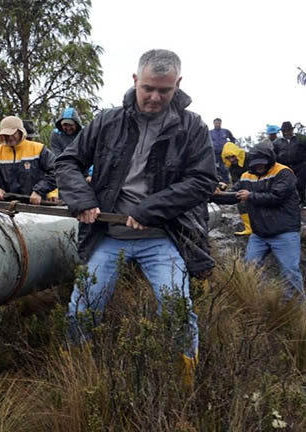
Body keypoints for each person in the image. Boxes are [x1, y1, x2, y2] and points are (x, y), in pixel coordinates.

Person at [55, 49, 217, 385]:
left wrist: (152, 209)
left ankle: (184, 384)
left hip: (163, 238)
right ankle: (78, 378)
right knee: (82, 310)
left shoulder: (192, 127)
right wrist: (82, 199)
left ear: (178, 85)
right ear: (135, 80)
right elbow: (67, 162)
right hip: (108, 237)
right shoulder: (107, 121)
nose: (155, 97)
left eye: (164, 90)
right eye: (148, 88)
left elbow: (203, 181)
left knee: (177, 312)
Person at [212, 142, 304, 302]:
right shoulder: (247, 176)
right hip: (259, 234)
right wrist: (218, 195)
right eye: (256, 164)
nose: (259, 166)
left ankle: (295, 310)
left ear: (270, 159)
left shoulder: (283, 173)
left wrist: (251, 196)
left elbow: (277, 197)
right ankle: (258, 301)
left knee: (290, 272)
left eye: (262, 163)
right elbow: (236, 195)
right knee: (249, 268)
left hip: (285, 232)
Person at [0, 116, 56, 205]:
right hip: (2, 208)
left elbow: (57, 171)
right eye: (6, 135)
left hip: (35, 208)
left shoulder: (38, 149)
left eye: (13, 134)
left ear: (21, 131)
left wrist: (39, 191)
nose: (9, 137)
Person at [221, 142, 251, 235]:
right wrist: (229, 191)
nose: (231, 159)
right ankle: (249, 228)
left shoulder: (249, 158)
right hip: (242, 185)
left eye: (232, 156)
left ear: (237, 154)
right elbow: (236, 180)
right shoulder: (232, 167)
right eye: (228, 158)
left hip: (256, 183)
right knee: (241, 202)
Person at [273, 121, 306, 205]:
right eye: (284, 131)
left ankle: (302, 201)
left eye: (288, 130)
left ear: (292, 130)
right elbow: (274, 155)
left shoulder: (300, 139)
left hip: (300, 165)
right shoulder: (277, 142)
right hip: (285, 167)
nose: (286, 133)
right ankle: (290, 202)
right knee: (288, 185)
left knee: (301, 184)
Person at [210, 118, 236, 183]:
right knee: (214, 167)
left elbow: (233, 139)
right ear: (213, 124)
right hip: (214, 153)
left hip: (224, 153)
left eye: (219, 123)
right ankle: (216, 182)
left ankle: (226, 182)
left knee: (224, 168)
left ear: (221, 123)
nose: (217, 124)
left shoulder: (226, 131)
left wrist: (230, 147)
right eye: (216, 123)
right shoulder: (210, 132)